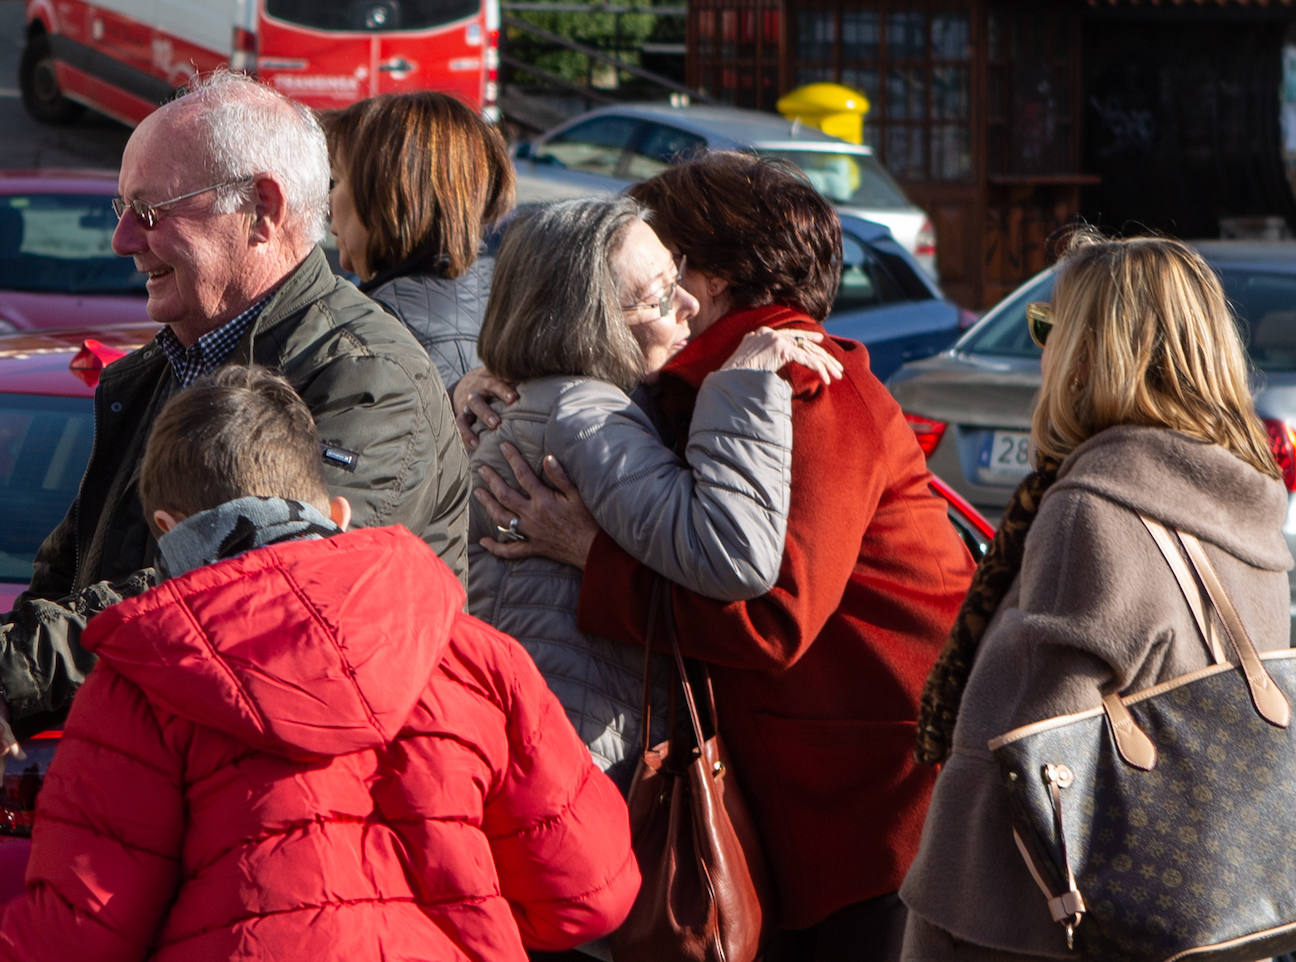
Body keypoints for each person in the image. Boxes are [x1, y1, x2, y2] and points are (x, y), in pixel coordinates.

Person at [468, 152, 976, 961]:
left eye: (662, 266)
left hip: (866, 794)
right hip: (808, 778)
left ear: (705, 277)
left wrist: (589, 554)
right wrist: (509, 375)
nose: (653, 287)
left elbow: (771, 614)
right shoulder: (696, 381)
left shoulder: (796, 381)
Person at [0, 365, 638, 962]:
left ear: (170, 532)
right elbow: (590, 893)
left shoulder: (142, 683)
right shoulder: (477, 658)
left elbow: (78, 936)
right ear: (336, 514)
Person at [0, 70, 468, 747]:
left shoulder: (364, 379)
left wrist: (19, 673)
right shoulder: (155, 373)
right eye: (121, 210)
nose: (123, 240)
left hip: (307, 814)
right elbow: (68, 577)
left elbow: (259, 594)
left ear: (263, 209)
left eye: (151, 211)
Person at [901, 231, 1292, 960]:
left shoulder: (1094, 508)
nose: (1040, 349)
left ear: (1090, 351)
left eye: (1048, 327)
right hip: (1206, 908)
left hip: (1038, 928)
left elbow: (1037, 753)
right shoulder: (1241, 496)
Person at [467, 196, 841, 791]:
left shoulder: (569, 402)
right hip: (573, 770)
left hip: (554, 748)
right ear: (590, 319)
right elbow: (735, 552)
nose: (690, 305)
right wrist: (745, 384)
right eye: (661, 296)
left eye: (679, 274)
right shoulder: (585, 416)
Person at [322, 91, 514, 394]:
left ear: (389, 197)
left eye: (337, 180)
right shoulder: (504, 300)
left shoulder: (373, 339)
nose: (328, 203)